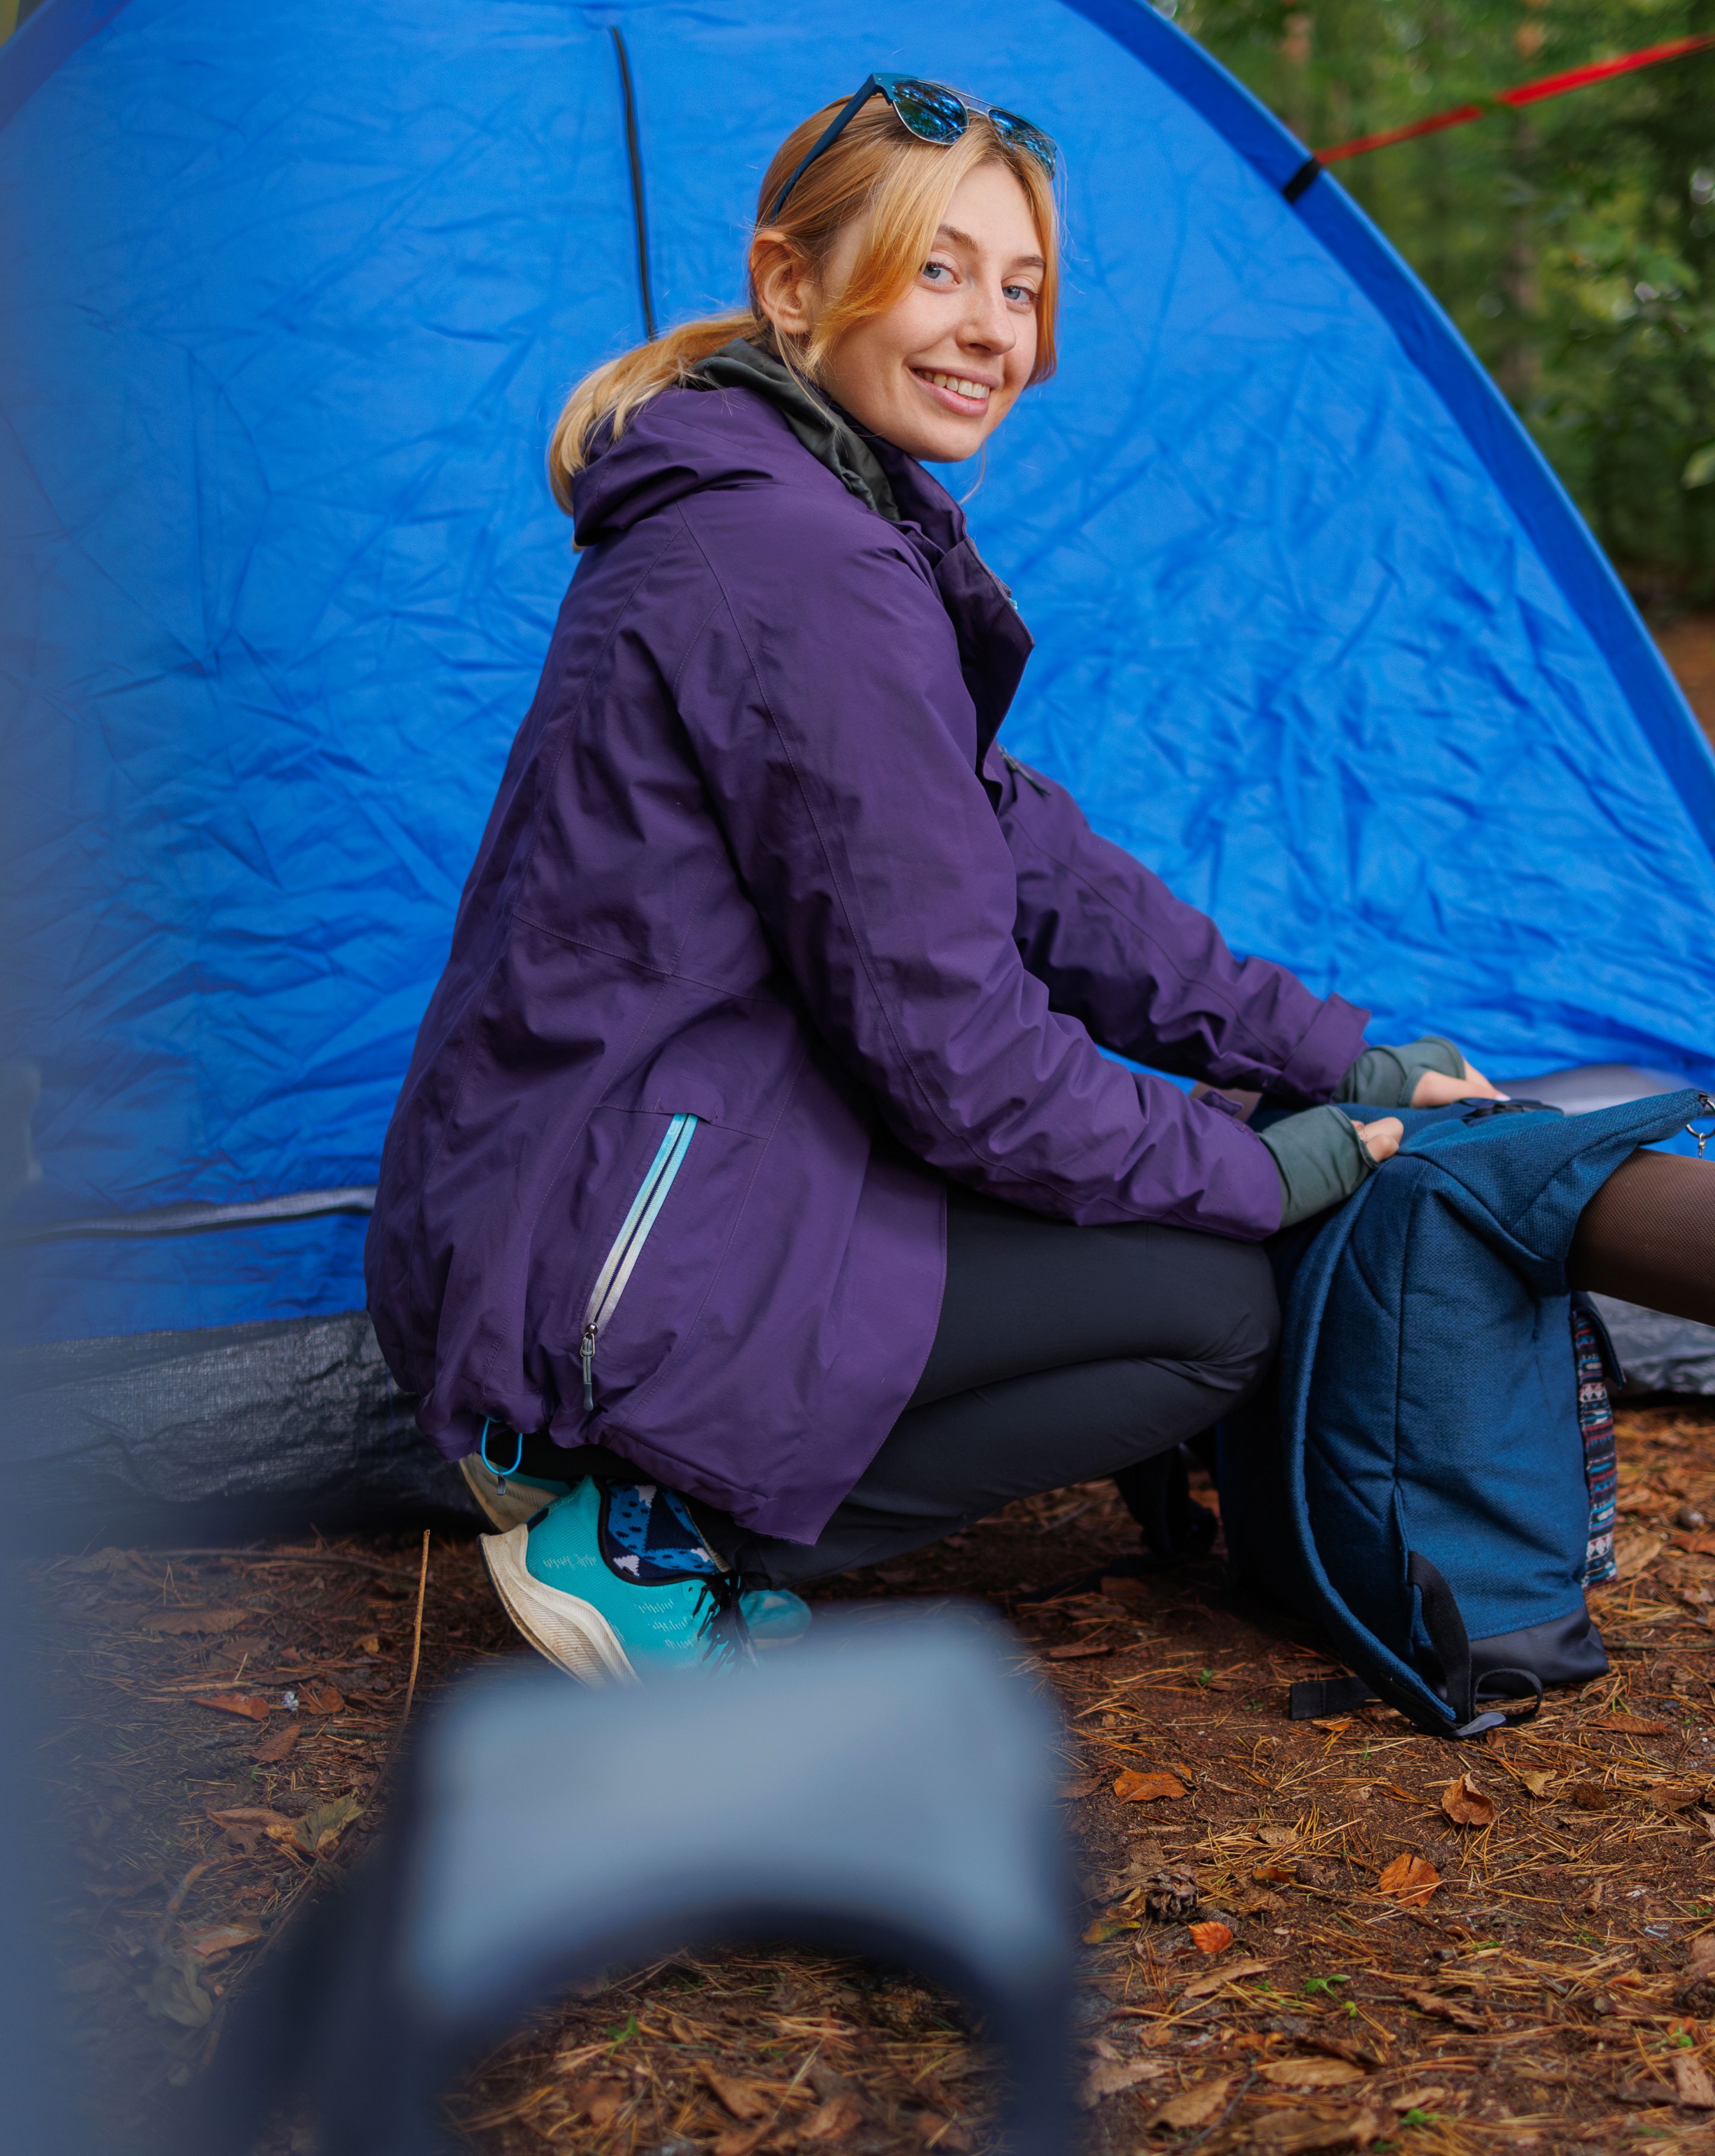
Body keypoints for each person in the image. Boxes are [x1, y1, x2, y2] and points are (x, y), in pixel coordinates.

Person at [365, 75, 1506, 1684]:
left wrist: (1328, 1056)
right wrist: (1255, 1169)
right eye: (938, 270)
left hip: (592, 1199)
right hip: (617, 1254)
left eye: (1022, 289)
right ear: (793, 287)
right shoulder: (804, 558)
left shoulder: (801, 506)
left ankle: (620, 1468)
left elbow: (1025, 854)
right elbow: (961, 1060)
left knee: (1158, 1223)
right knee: (1211, 1308)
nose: (992, 331)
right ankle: (649, 1529)